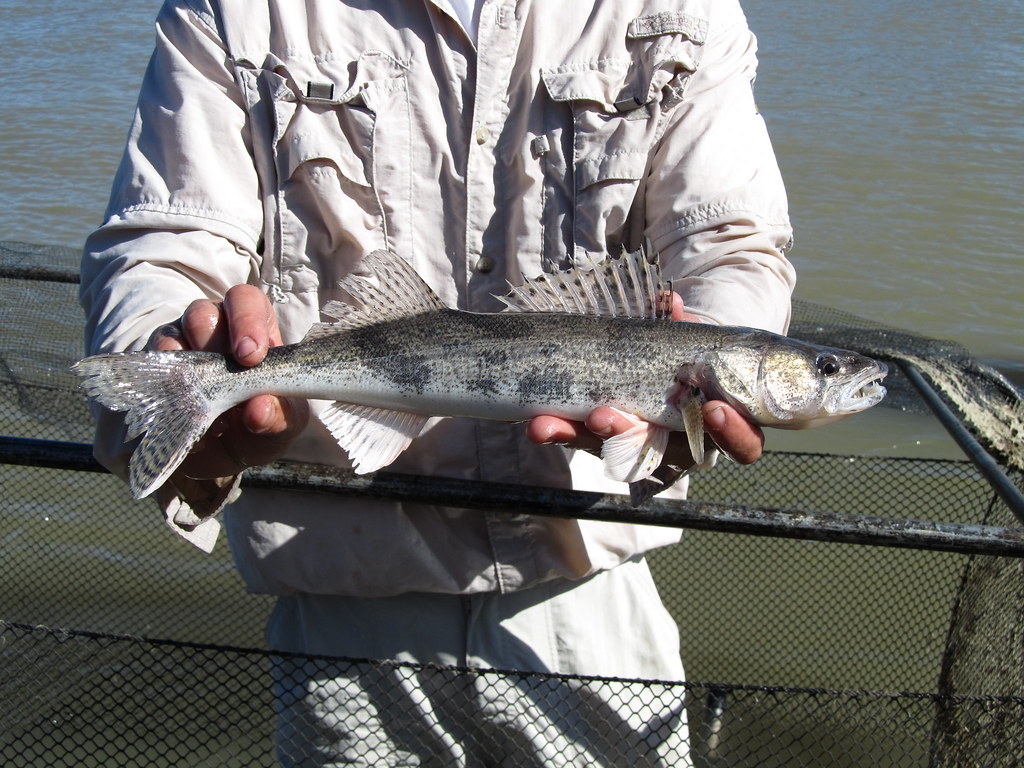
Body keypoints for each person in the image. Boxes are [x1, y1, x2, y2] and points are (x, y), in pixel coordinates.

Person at [80, 0, 795, 764]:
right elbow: (163, 241)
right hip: (343, 605)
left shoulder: (679, 10)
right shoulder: (229, 11)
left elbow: (728, 244)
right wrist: (178, 337)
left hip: (587, 600)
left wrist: (710, 347)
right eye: (821, 371)